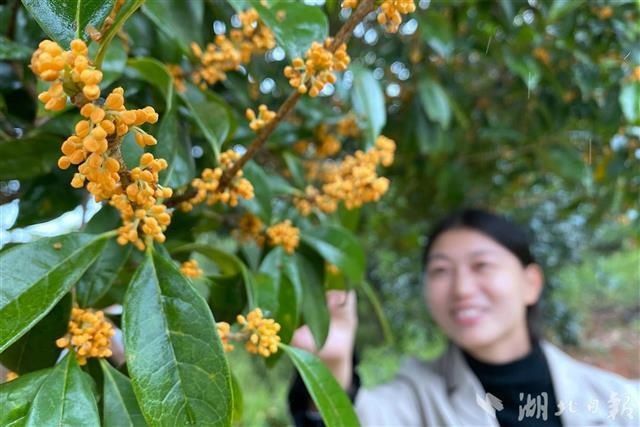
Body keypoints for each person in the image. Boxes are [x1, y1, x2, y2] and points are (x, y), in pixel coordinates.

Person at [289, 208, 640, 426]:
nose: (461, 289)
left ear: (530, 283)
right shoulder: (415, 398)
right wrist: (330, 366)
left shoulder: (619, 402)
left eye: (482, 265)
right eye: (441, 271)